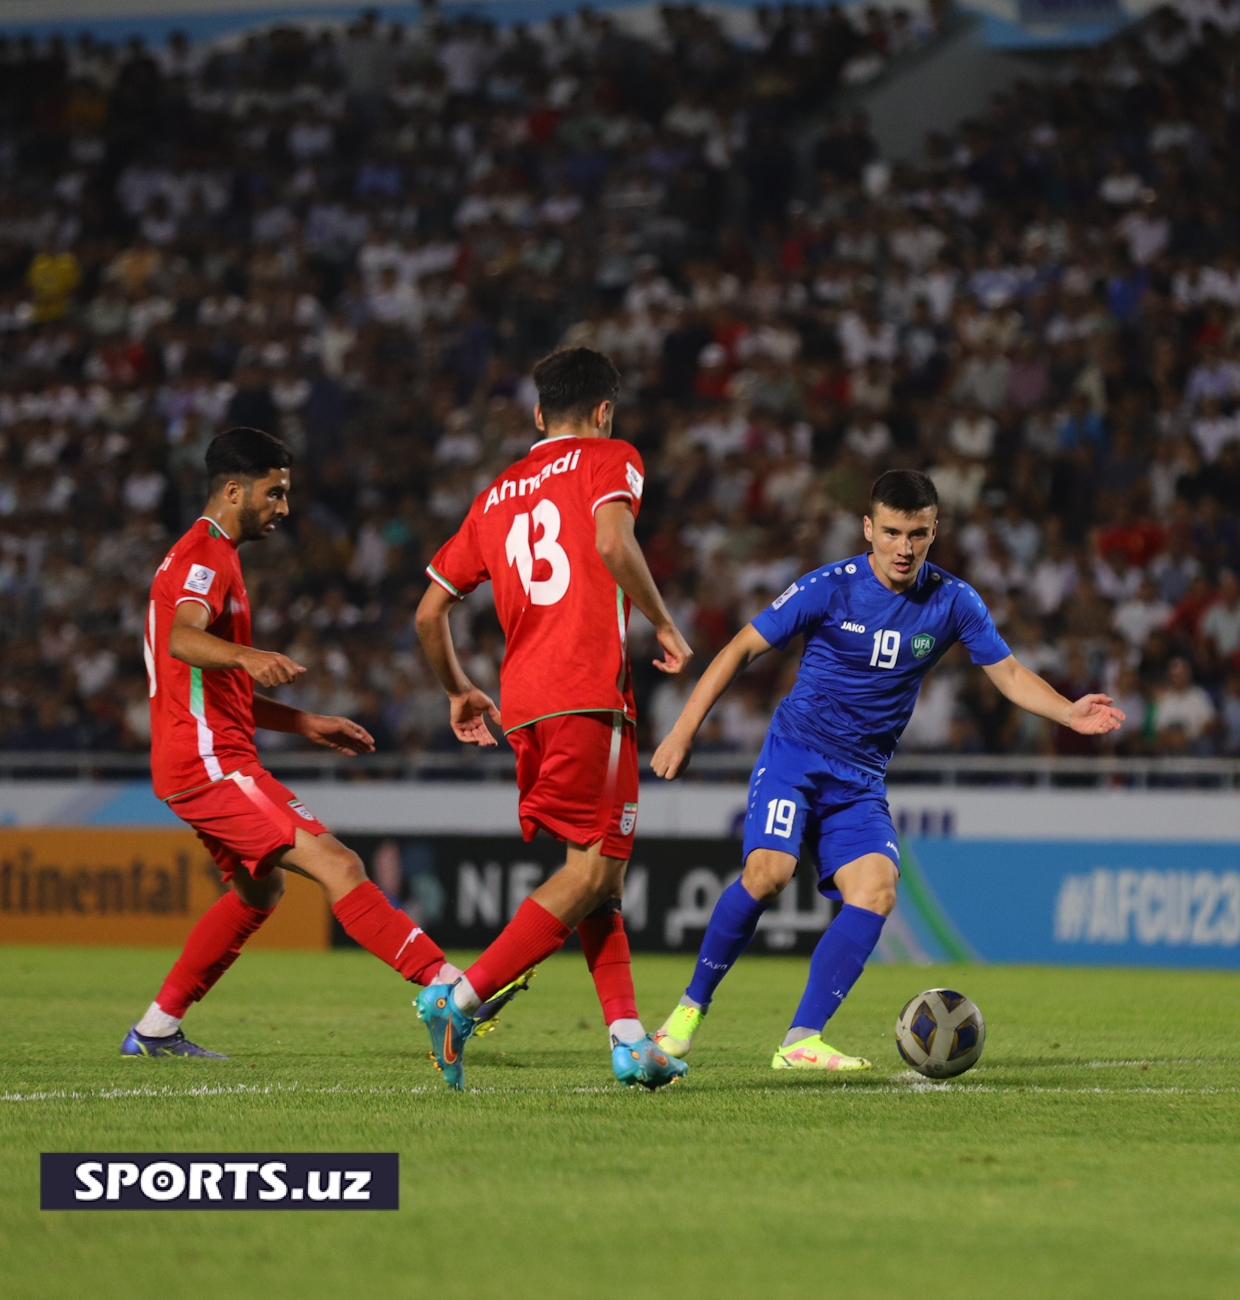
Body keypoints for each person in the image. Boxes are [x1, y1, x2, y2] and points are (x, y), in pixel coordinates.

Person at [647, 469, 1124, 1070]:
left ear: (934, 531)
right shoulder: (829, 587)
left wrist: (1068, 713)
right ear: (868, 529)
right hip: (796, 755)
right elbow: (740, 648)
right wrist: (684, 731)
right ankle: (687, 1014)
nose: (904, 547)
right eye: (893, 532)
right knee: (769, 872)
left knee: (876, 890)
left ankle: (801, 1040)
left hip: (860, 776)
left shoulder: (954, 600)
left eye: (918, 534)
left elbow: (1007, 674)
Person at [124, 428, 474, 1057]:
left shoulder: (204, 556)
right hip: (209, 762)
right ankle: (445, 984)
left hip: (195, 756)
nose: (284, 507)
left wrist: (303, 723)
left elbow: (210, 688)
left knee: (260, 891)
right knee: (337, 864)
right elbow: (183, 638)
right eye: (275, 492)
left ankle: (155, 1029)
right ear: (233, 490)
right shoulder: (205, 557)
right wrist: (248, 654)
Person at [412, 347, 692, 1091]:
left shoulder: (496, 494)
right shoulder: (609, 456)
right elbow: (609, 539)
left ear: (538, 414)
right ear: (604, 411)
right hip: (588, 694)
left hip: (527, 705)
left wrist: (456, 689)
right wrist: (662, 621)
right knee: (595, 869)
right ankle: (460, 999)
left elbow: (429, 609)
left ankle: (630, 1039)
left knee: (595, 873)